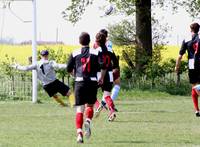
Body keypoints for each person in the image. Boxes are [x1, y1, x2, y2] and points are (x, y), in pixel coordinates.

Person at [67, 32, 105, 143]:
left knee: (79, 109)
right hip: (92, 82)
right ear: (89, 41)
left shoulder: (74, 53)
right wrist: (101, 77)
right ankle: (88, 120)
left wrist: (74, 75)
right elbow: (103, 66)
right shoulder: (96, 52)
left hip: (79, 82)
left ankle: (79, 134)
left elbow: (69, 68)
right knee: (90, 105)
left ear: (80, 41)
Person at [175, 22, 200, 117]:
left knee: (195, 85)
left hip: (192, 64)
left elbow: (180, 56)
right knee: (195, 87)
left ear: (191, 30)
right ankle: (197, 110)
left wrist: (177, 66)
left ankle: (197, 110)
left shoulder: (186, 39)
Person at [94, 32, 119, 121]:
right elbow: (116, 62)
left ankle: (98, 106)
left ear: (97, 41)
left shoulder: (97, 51)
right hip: (109, 74)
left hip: (99, 74)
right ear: (105, 41)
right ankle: (112, 112)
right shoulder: (110, 50)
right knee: (107, 95)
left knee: (90, 93)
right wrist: (115, 68)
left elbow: (95, 63)